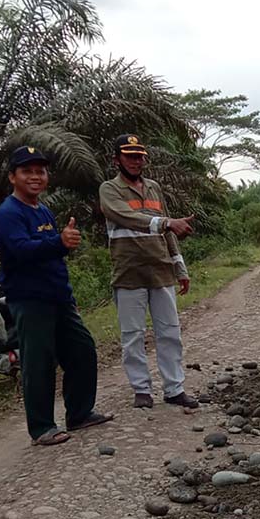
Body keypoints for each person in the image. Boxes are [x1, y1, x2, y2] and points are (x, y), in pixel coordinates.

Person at [0, 146, 113, 446]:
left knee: (82, 350)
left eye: (40, 171)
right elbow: (21, 251)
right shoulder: (8, 213)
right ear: (12, 177)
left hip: (58, 297)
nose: (35, 176)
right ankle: (42, 427)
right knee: (38, 362)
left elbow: (52, 254)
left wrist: (62, 250)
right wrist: (59, 243)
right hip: (30, 299)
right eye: (27, 171)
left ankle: (79, 414)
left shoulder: (41, 209)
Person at [99, 134, 198, 409]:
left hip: (161, 270)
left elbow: (169, 233)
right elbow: (125, 216)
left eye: (139, 156)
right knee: (133, 335)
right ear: (117, 159)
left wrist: (180, 267)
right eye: (129, 155)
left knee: (170, 332)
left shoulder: (154, 188)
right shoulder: (110, 189)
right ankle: (141, 390)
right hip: (129, 272)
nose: (135, 160)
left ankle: (174, 389)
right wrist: (168, 222)